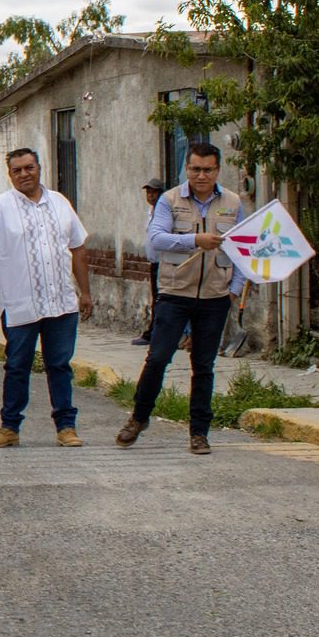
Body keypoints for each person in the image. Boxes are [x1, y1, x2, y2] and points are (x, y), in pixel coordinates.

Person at [0, 148, 93, 447]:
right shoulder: (0, 207)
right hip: (21, 307)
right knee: (16, 367)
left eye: (29, 168)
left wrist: (85, 292)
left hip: (61, 304)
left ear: (39, 168)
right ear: (9, 174)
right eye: (17, 170)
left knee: (60, 366)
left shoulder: (61, 203)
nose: (24, 174)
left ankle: (66, 427)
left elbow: (78, 248)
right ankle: (9, 428)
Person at [119, 144, 247, 456]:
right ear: (186, 170)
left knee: (203, 365)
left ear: (217, 170)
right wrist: (194, 240)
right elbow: (155, 241)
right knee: (158, 357)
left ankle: (199, 433)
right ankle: (138, 418)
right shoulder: (169, 200)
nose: (201, 176)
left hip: (215, 296)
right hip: (175, 293)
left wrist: (235, 289)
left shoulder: (232, 202)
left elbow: (242, 247)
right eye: (195, 169)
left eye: (208, 170)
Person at [134, 177, 165, 345]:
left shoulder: (163, 212)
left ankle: (155, 333)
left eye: (154, 192)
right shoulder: (151, 212)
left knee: (160, 299)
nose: (151, 196)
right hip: (154, 263)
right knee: (156, 298)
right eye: (149, 192)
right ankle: (153, 331)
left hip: (163, 263)